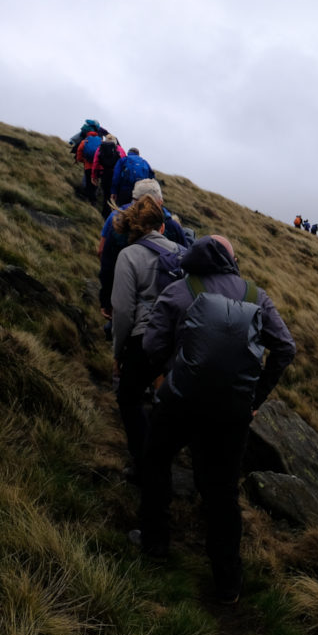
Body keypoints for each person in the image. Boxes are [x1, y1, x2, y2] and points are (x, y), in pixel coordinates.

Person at [134, 235, 296, 604]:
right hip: (232, 412)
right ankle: (227, 582)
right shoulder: (256, 295)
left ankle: (156, 541)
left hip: (180, 402)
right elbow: (286, 347)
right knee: (221, 490)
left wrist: (165, 375)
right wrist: (255, 398)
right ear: (230, 260)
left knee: (156, 460)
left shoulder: (178, 291)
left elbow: (151, 346)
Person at [110, 197, 183, 481]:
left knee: (128, 397)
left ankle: (145, 464)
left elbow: (123, 312)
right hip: (178, 340)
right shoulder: (181, 252)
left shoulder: (128, 256)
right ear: (162, 227)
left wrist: (118, 352)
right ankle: (163, 456)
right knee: (166, 401)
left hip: (144, 338)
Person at [97, 179, 189, 319]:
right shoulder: (172, 227)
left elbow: (105, 259)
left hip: (125, 294)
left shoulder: (117, 221)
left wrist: (106, 300)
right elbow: (187, 265)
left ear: (134, 200)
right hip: (166, 306)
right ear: (161, 202)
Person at [93, 134, 126, 207]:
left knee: (106, 195)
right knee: (115, 195)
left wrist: (94, 176)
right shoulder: (120, 149)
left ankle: (105, 214)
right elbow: (124, 163)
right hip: (116, 175)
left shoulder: (100, 148)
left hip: (104, 174)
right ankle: (114, 212)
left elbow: (95, 162)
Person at [75, 131, 103, 201]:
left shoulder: (85, 141)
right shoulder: (101, 142)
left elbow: (79, 151)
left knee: (88, 181)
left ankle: (88, 198)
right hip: (97, 166)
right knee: (95, 181)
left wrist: (82, 160)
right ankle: (93, 199)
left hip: (88, 166)